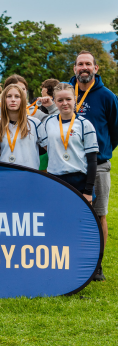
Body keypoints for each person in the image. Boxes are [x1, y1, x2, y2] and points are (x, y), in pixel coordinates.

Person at [69, 50, 118, 281]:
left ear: (96, 68)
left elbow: (115, 130)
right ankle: (69, 258)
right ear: (74, 68)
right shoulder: (66, 93)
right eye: (80, 64)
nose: (84, 68)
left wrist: (104, 150)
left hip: (97, 165)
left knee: (98, 215)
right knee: (69, 213)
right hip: (68, 165)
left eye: (88, 64)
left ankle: (96, 264)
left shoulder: (107, 96)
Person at [44, 83, 98, 201]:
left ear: (75, 99)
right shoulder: (48, 122)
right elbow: (44, 146)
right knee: (57, 216)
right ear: (54, 101)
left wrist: (88, 191)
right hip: (55, 179)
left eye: (68, 99)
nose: (64, 103)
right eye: (60, 100)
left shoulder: (85, 124)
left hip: (79, 181)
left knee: (81, 219)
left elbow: (92, 160)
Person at [0, 84, 47, 170]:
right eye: (9, 96)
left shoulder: (35, 123)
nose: (13, 100)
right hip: (4, 175)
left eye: (17, 96)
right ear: (4, 100)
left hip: (29, 175)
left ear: (22, 100)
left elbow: (50, 149)